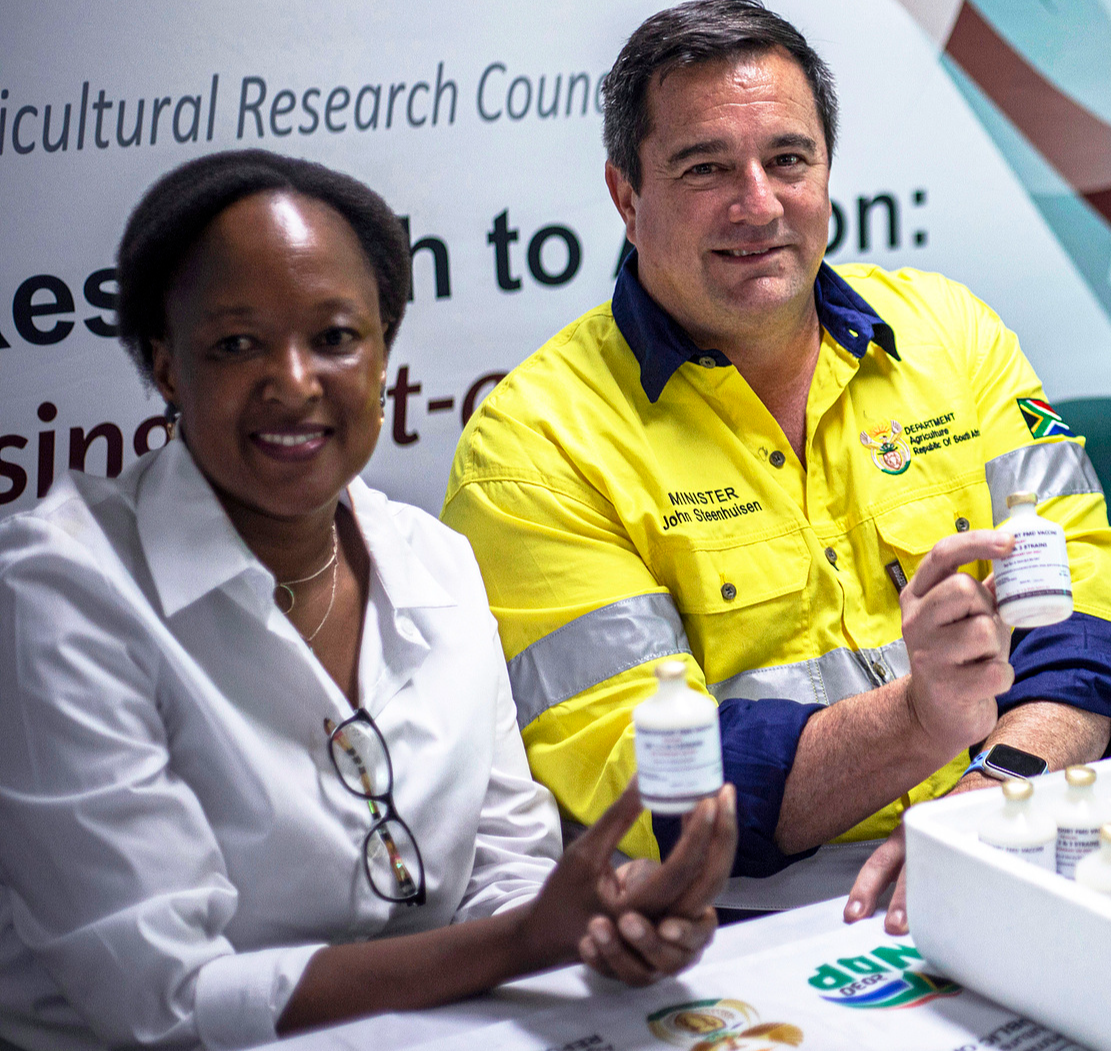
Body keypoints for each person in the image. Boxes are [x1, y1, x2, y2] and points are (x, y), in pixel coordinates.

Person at [440, 0, 1111, 934]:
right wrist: (921, 720)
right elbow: (654, 786)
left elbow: (1090, 604)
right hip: (743, 920)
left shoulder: (955, 335)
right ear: (626, 197)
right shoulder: (532, 446)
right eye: (705, 168)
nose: (759, 204)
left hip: (1010, 819)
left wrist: (994, 788)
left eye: (788, 160)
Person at [0, 150, 735, 1050]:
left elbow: (504, 871)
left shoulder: (438, 564)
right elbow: (166, 1000)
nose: (294, 381)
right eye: (236, 345)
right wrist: (522, 942)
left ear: (384, 354)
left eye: (336, 338)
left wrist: (602, 923)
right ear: (167, 366)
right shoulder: (62, 590)